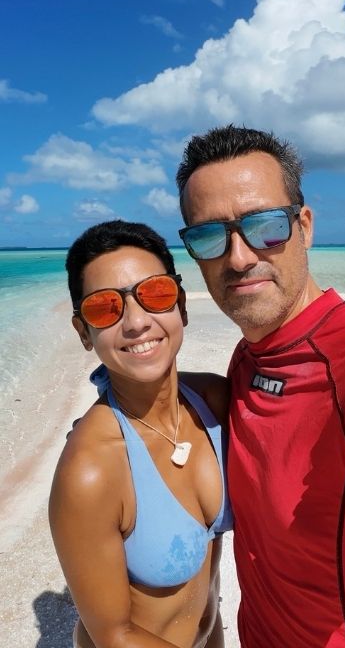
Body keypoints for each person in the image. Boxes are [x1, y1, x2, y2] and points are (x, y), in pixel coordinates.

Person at [175, 125, 345, 646]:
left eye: (266, 226)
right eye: (209, 236)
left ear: (305, 226)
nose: (240, 257)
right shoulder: (247, 357)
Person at [50, 221, 232, 647]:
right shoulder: (91, 469)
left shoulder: (214, 401)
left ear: (181, 306)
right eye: (104, 309)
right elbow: (114, 636)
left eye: (155, 294)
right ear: (83, 332)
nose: (135, 322)